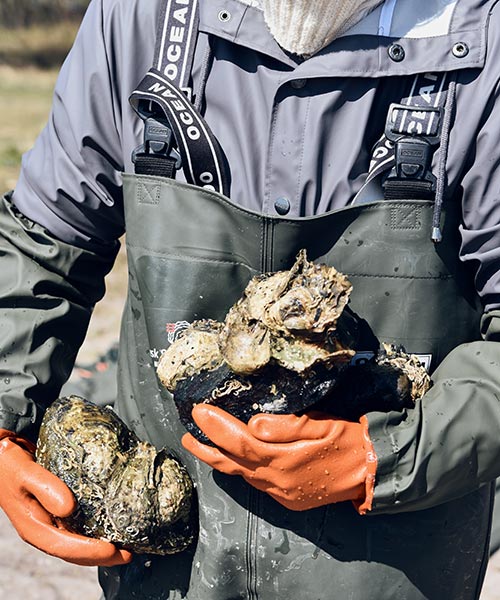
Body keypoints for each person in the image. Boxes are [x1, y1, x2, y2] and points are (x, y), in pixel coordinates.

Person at [1, 0, 500, 598]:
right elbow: (45, 243)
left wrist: (388, 456)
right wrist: (5, 423)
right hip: (169, 570)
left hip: (394, 568)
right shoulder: (139, 16)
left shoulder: (484, 39)